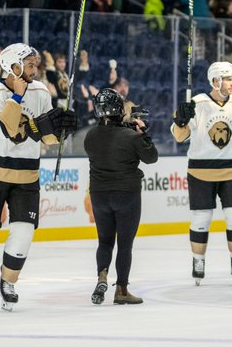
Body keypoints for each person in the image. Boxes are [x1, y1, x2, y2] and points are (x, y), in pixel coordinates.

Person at [0, 43, 77, 311]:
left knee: (24, 233)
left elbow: (45, 137)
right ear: (12, 67)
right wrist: (20, 100)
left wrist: (61, 130)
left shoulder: (41, 91)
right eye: (30, 64)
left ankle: (8, 282)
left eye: (36, 64)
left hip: (27, 173)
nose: (36, 69)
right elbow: (8, 129)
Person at [171, 61, 232, 287]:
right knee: (201, 219)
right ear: (215, 81)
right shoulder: (197, 103)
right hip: (200, 171)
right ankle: (198, 261)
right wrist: (180, 120)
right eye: (228, 79)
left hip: (231, 171)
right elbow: (179, 136)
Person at [84, 87, 157, 305]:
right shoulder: (131, 137)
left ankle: (102, 275)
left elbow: (109, 137)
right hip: (127, 194)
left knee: (104, 241)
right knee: (125, 244)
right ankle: (122, 290)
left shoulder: (90, 136)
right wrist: (143, 134)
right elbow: (151, 157)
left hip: (99, 194)